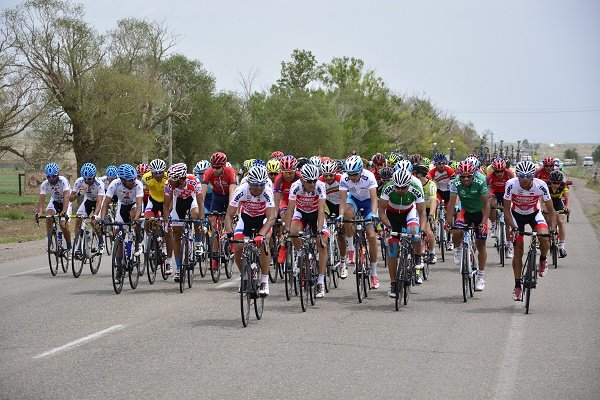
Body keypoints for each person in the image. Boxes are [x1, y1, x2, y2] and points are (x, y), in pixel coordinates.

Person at [503, 161, 557, 301]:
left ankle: (543, 259)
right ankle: (517, 285)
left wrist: (552, 229)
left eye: (528, 175)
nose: (525, 178)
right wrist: (513, 227)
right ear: (517, 176)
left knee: (544, 238)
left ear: (533, 176)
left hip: (534, 214)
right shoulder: (511, 184)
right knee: (518, 250)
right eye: (521, 175)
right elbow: (506, 211)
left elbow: (551, 211)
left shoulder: (541, 185)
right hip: (516, 216)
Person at [225, 166, 277, 297]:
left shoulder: (267, 192)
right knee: (237, 246)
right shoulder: (241, 190)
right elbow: (229, 215)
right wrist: (230, 233)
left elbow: (271, 218)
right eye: (255, 185)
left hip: (263, 220)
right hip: (246, 219)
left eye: (261, 184)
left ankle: (264, 280)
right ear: (249, 183)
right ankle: (245, 276)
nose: (259, 188)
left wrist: (261, 235)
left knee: (264, 243)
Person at [379, 168, 426, 294]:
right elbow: (381, 212)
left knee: (414, 234)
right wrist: (388, 227)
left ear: (408, 185)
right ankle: (393, 283)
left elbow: (422, 212)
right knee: (392, 249)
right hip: (392, 215)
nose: (399, 190)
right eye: (397, 187)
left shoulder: (416, 187)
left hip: (408, 212)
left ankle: (417, 257)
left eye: (403, 188)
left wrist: (422, 230)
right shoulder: (388, 188)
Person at [338, 155, 381, 289]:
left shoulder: (369, 176)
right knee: (347, 214)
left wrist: (373, 214)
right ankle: (351, 248)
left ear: (361, 171)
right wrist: (340, 216)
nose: (352, 177)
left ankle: (374, 273)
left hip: (368, 203)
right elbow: (343, 201)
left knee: (372, 236)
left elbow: (374, 199)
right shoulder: (344, 178)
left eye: (355, 174)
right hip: (354, 200)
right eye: (349, 174)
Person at [446, 160, 490, 292]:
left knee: (480, 243)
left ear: (473, 175)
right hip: (465, 211)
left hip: (480, 212)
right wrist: (448, 222)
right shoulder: (456, 182)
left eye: (468, 176)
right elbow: (451, 205)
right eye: (463, 176)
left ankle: (481, 277)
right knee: (456, 231)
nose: (465, 179)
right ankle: (459, 249)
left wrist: (483, 222)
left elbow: (487, 205)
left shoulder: (481, 180)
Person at [286, 164, 329, 298]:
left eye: (314, 180)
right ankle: (300, 254)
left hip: (316, 214)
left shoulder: (320, 186)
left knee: (321, 244)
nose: (312, 184)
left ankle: (321, 281)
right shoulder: (296, 186)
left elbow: (321, 210)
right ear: (302, 180)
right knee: (293, 232)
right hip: (301, 213)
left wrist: (320, 229)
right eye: (309, 181)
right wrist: (287, 228)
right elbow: (290, 208)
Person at [100, 164, 143, 284]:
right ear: (123, 180)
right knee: (118, 233)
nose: (134, 181)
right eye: (130, 180)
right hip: (122, 206)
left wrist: (136, 219)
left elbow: (139, 205)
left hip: (134, 206)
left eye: (135, 178)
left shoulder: (138, 184)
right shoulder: (115, 184)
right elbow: (105, 203)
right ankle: (119, 268)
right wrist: (103, 220)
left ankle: (137, 240)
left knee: (134, 215)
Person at [163, 163, 204, 282]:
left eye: (173, 179)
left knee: (195, 215)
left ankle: (198, 241)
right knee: (177, 235)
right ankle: (179, 268)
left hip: (192, 200)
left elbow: (200, 203)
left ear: (181, 179)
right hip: (178, 203)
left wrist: (200, 220)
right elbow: (166, 205)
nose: (169, 181)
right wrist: (168, 221)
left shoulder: (194, 181)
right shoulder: (168, 185)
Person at [202, 152, 237, 270]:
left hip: (228, 196)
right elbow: (202, 193)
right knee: (213, 224)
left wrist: (231, 210)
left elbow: (232, 192)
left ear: (223, 166)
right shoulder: (208, 172)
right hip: (217, 197)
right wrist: (200, 208)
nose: (215, 170)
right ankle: (216, 259)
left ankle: (231, 242)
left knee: (229, 218)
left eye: (217, 167)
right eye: (213, 167)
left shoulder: (230, 172)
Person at [36, 162, 73, 258]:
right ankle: (51, 237)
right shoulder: (45, 184)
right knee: (48, 216)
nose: (51, 178)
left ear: (58, 174)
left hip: (66, 201)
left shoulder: (63, 181)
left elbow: (66, 196)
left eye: (53, 176)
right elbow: (42, 199)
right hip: (55, 201)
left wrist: (64, 211)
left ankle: (69, 247)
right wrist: (39, 211)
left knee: (63, 225)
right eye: (48, 176)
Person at [69, 163, 105, 255]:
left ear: (94, 176)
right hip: (88, 200)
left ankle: (101, 242)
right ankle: (78, 244)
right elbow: (70, 198)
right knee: (78, 218)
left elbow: (99, 202)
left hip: (98, 201)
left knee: (94, 222)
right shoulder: (79, 181)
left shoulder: (99, 184)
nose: (87, 180)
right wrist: (78, 194)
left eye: (89, 178)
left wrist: (95, 215)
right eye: (85, 178)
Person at [486, 157, 515, 258]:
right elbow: (488, 190)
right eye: (497, 171)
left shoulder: (510, 174)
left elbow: (514, 187)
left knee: (508, 222)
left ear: (504, 169)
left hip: (506, 193)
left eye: (501, 171)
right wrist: (490, 197)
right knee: (491, 204)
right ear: (494, 170)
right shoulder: (490, 176)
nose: (499, 173)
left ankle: (510, 246)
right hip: (495, 192)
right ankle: (493, 225)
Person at [413, 164, 438, 264]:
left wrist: (431, 215)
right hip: (417, 208)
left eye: (414, 173)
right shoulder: (414, 184)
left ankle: (432, 252)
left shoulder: (431, 185)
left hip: (428, 209)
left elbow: (433, 201)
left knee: (427, 230)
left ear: (419, 175)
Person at [547, 170, 569, 257]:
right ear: (550, 181)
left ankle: (562, 247)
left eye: (558, 183)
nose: (556, 185)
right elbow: (541, 199)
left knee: (560, 221)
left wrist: (567, 207)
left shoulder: (563, 185)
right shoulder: (546, 185)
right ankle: (547, 236)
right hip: (548, 202)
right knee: (548, 220)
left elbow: (567, 197)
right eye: (554, 182)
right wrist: (541, 208)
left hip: (558, 202)